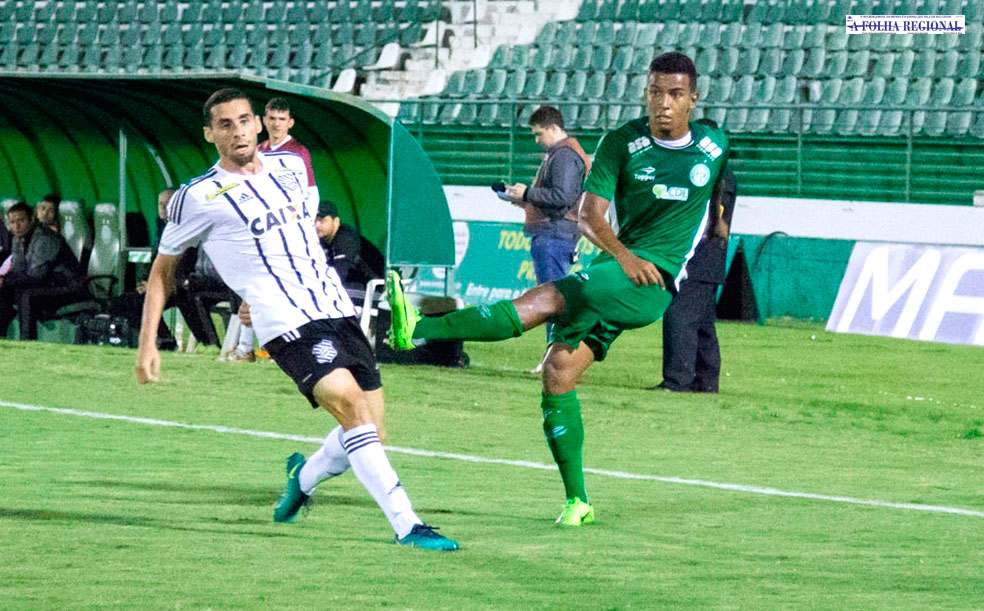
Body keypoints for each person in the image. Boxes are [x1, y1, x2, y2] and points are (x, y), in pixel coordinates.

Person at [385, 53, 729, 526]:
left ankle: (420, 328)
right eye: (655, 93)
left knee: (548, 298)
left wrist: (718, 221)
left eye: (674, 94)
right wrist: (624, 256)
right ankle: (578, 501)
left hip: (654, 282)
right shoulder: (622, 143)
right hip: (618, 270)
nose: (663, 104)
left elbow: (718, 184)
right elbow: (587, 216)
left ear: (693, 99)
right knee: (558, 374)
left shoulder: (713, 144)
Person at [134, 88, 458, 551]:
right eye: (224, 124)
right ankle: (408, 525)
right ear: (209, 134)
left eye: (243, 120)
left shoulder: (290, 168)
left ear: (258, 124)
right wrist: (148, 342)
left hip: (335, 307)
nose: (237, 131)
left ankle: (302, 479)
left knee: (372, 429)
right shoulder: (197, 196)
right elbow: (163, 272)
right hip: (283, 319)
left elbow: (300, 237)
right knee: (351, 407)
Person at [229, 97, 322, 361]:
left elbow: (310, 194)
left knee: (285, 290)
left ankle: (285, 347)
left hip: (289, 233)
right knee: (254, 286)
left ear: (290, 122)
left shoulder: (298, 153)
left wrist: (302, 227)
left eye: (282, 119)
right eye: (272, 118)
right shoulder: (258, 150)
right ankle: (245, 348)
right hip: (264, 232)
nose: (277, 124)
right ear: (263, 121)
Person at [503, 106, 590, 373]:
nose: (537, 139)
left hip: (554, 235)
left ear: (553, 128)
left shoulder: (564, 155)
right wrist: (525, 200)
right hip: (555, 233)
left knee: (553, 302)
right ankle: (560, 358)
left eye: (539, 133)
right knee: (555, 299)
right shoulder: (563, 153)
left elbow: (562, 196)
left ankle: (557, 360)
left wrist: (528, 194)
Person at [655, 119, 737, 394]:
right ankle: (706, 380)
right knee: (702, 324)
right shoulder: (719, 172)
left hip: (699, 258)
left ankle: (677, 381)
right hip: (709, 260)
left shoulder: (716, 174)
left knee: (678, 317)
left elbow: (713, 218)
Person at [0, 202, 85, 339]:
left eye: (21, 220)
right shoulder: (17, 238)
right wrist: (4, 282)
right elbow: (18, 271)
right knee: (4, 291)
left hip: (67, 287)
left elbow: (36, 276)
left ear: (31, 219)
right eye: (12, 222)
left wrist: (5, 281)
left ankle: (26, 342)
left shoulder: (45, 238)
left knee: (27, 296)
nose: (16, 226)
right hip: (47, 284)